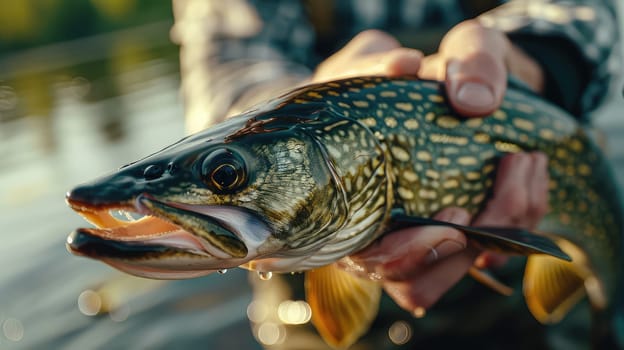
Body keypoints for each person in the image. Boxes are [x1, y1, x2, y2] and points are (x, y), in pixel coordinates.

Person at [170, 1, 620, 348]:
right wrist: (310, 96)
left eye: (227, 175)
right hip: (304, 277)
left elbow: (585, 9)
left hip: (519, 286)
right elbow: (228, 69)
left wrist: (528, 65)